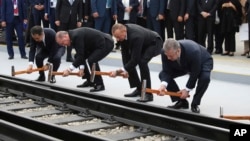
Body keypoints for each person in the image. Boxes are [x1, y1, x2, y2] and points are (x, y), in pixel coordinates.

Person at [110, 23, 163, 102]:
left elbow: (135, 60)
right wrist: (125, 69)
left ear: (124, 31)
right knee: (129, 63)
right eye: (115, 37)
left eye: (118, 37)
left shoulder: (136, 36)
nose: (117, 40)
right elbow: (125, 55)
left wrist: (119, 71)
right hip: (144, 43)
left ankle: (148, 94)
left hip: (154, 42)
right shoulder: (123, 35)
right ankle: (139, 89)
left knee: (142, 62)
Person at [158, 38, 213, 113]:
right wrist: (163, 85)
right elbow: (166, 71)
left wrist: (187, 90)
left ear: (178, 51)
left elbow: (195, 72)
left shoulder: (193, 51)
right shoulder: (165, 52)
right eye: (167, 55)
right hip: (182, 64)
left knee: (205, 78)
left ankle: (195, 103)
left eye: (170, 56)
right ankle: (181, 101)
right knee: (162, 75)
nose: (168, 58)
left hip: (203, 60)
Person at [55, 27, 114, 92]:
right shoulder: (72, 36)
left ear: (65, 36)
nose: (64, 45)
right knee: (76, 56)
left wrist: (69, 70)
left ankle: (99, 84)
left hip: (106, 43)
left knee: (92, 60)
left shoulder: (76, 36)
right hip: (94, 45)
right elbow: (81, 54)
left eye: (63, 43)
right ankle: (89, 81)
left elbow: (81, 56)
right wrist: (81, 68)